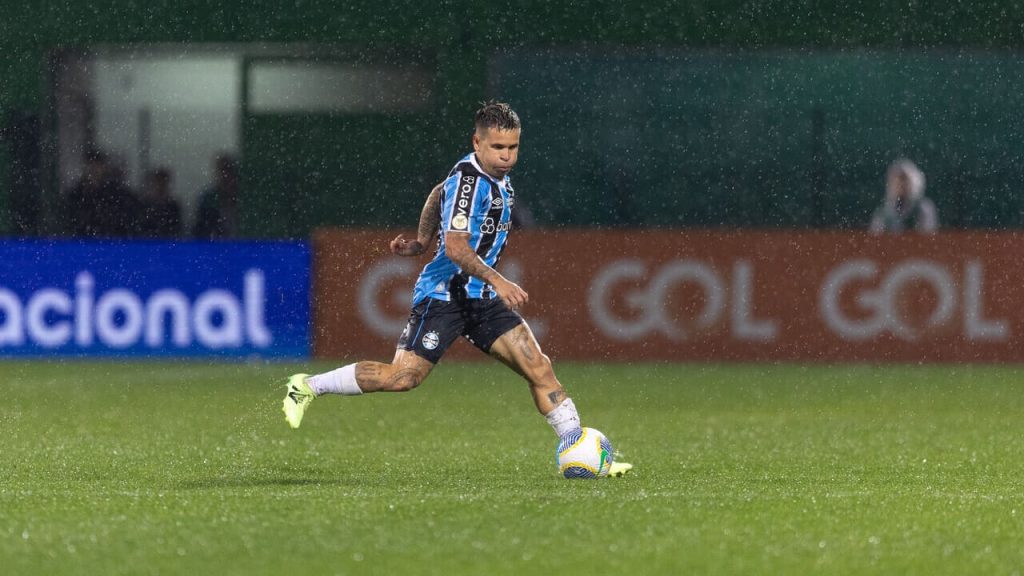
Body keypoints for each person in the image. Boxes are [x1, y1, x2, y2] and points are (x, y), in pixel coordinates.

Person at [281, 101, 631, 477]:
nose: (507, 156)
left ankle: (585, 455)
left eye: (513, 147)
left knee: (539, 369)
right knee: (403, 378)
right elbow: (456, 247)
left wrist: (420, 238)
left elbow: (437, 192)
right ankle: (308, 386)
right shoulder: (470, 181)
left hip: (480, 299)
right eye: (498, 148)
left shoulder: (492, 176)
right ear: (477, 143)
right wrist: (497, 278)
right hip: (444, 295)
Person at [61, 149, 143, 238]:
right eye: (90, 166)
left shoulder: (117, 195)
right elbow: (70, 221)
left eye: (97, 166)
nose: (94, 170)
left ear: (104, 168)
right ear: (84, 168)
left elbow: (126, 219)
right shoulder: (75, 196)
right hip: (82, 243)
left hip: (112, 242)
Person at [868, 158, 939, 234]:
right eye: (896, 181)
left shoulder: (923, 208)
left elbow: (928, 236)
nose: (900, 185)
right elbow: (876, 237)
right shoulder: (883, 212)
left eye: (904, 180)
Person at [192, 153, 240, 239]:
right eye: (222, 170)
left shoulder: (243, 198)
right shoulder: (208, 199)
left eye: (229, 170)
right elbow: (201, 230)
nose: (226, 175)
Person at [139, 167, 183, 238]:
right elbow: (142, 227)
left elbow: (176, 228)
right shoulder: (145, 205)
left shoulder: (173, 206)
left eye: (163, 183)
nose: (160, 186)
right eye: (158, 182)